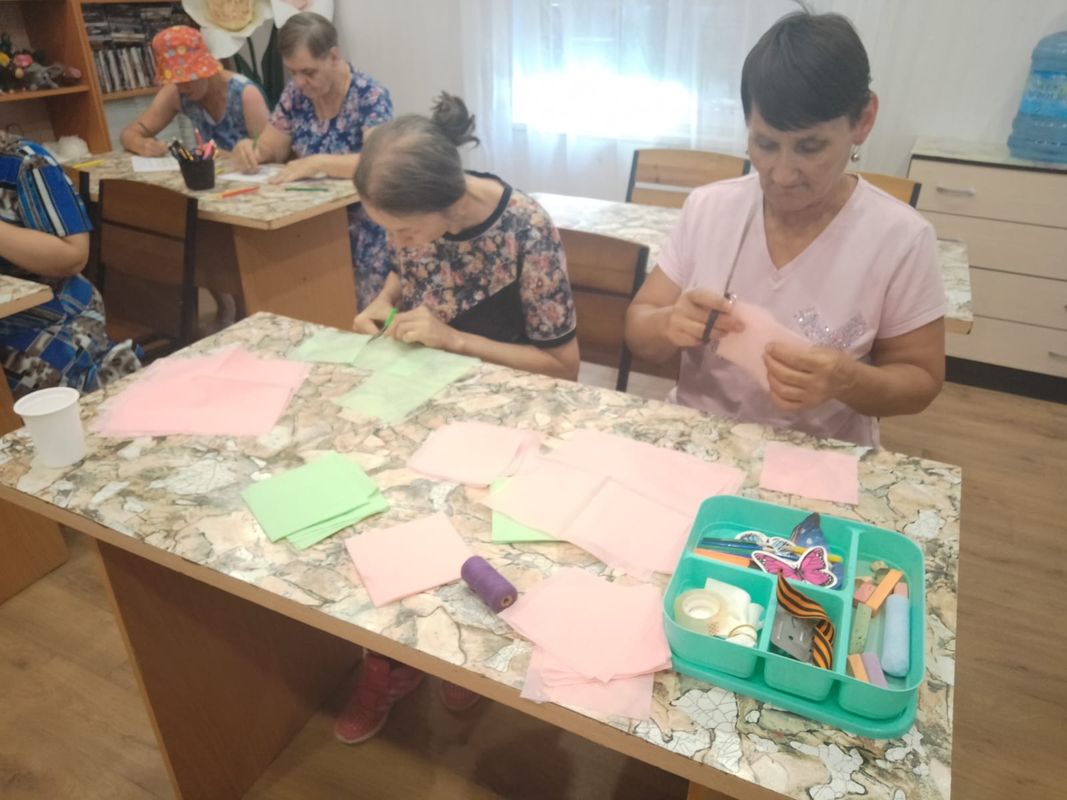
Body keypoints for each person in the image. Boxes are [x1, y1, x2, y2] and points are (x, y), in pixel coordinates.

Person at [336, 93, 578, 745]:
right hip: (425, 398)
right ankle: (390, 661)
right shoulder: (417, 222)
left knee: (470, 544)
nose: (395, 243)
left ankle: (461, 651)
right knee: (382, 520)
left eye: (402, 230)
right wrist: (380, 303)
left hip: (511, 420)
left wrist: (456, 340)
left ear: (443, 204)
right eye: (385, 230)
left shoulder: (525, 228)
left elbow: (563, 366)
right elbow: (403, 274)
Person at [625, 11, 945, 448]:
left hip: (819, 455)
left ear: (863, 120)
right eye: (765, 144)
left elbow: (921, 381)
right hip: (701, 441)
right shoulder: (709, 209)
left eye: (810, 147)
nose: (782, 174)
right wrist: (669, 323)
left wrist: (847, 380)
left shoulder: (900, 237)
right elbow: (639, 326)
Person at [231, 12, 394, 308]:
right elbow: (271, 146)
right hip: (311, 226)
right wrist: (251, 151)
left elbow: (378, 162)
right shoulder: (296, 94)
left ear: (333, 56)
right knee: (309, 303)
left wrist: (318, 162)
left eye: (308, 72)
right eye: (292, 72)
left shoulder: (370, 95)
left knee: (359, 315)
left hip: (367, 229)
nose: (299, 82)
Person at [0, 133, 141, 397]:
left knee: (30, 400)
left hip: (53, 317)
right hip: (8, 318)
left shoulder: (26, 163)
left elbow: (73, 255)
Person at [120, 26, 269, 156]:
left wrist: (227, 157)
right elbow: (128, 134)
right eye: (175, 81)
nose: (181, 88)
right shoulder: (176, 92)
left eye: (187, 78)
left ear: (205, 69)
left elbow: (270, 153)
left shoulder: (245, 94)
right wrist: (143, 145)